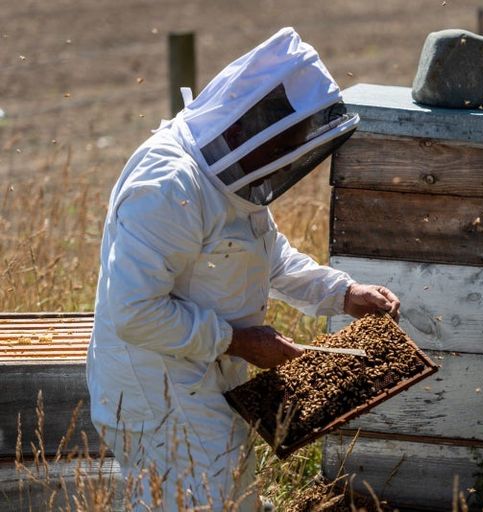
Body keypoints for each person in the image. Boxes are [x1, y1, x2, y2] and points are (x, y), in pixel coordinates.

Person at [86, 27, 400, 511]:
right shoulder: (169, 186)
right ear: (244, 130)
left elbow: (270, 257)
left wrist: (343, 292)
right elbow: (134, 312)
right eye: (283, 146)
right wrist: (239, 341)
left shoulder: (234, 179)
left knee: (233, 497)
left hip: (203, 375)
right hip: (156, 389)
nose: (284, 161)